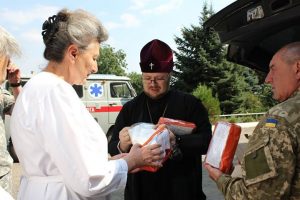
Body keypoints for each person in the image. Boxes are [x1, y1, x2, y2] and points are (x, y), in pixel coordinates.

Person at [10, 9, 164, 200]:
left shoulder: (34, 87)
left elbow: (66, 161)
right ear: (73, 53)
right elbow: (88, 180)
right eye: (94, 58)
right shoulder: (56, 92)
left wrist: (111, 162)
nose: (95, 67)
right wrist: (132, 161)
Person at [108, 39, 212, 200]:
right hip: (140, 193)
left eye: (159, 78)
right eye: (147, 78)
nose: (153, 83)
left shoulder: (190, 104)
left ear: (169, 76)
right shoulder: (130, 108)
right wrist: (122, 144)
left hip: (183, 191)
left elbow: (207, 142)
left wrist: (176, 140)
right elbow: (112, 150)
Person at [205, 41, 300, 199]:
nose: (267, 79)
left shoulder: (280, 119)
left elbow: (257, 196)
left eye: (273, 68)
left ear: (297, 68)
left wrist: (220, 178)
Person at [0, 25, 22, 197]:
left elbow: (21, 112)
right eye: (6, 57)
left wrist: (15, 85)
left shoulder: (0, 93)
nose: (9, 62)